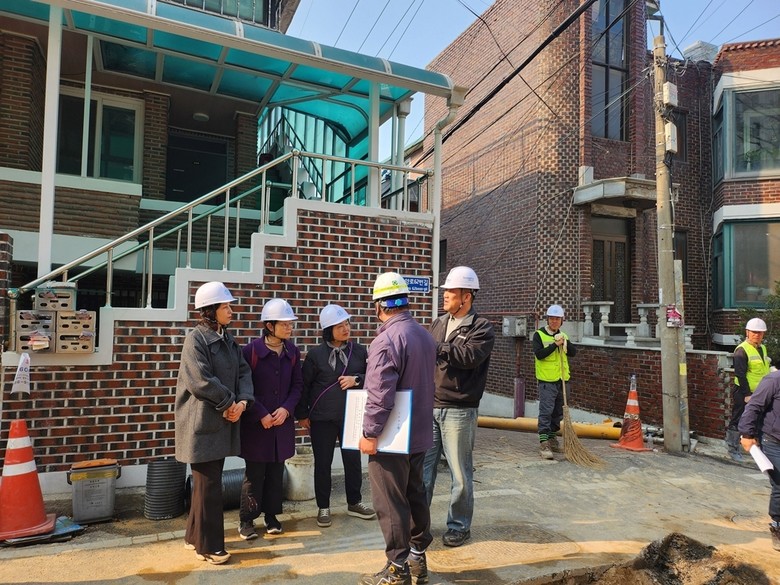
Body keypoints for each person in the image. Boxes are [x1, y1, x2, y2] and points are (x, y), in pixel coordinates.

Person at [359, 272, 437, 585]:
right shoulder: (424, 336)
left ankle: (397, 568)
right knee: (415, 493)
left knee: (390, 502)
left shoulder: (386, 340)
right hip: (419, 434)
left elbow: (380, 395)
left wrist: (369, 434)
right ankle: (417, 558)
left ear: (379, 305)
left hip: (390, 438)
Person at [174, 281, 254, 565]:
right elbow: (200, 381)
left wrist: (242, 402)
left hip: (220, 421)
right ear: (209, 310)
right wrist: (230, 403)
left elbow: (244, 373)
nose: (231, 311)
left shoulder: (228, 339)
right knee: (208, 484)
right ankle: (209, 547)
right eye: (225, 306)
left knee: (206, 483)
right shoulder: (195, 340)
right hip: (200, 425)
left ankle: (193, 536)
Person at [423, 266, 494, 548]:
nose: (445, 296)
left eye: (451, 292)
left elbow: (469, 357)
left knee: (460, 475)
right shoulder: (439, 323)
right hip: (431, 406)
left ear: (467, 296)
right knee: (423, 471)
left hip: (460, 410)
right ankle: (419, 524)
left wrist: (438, 347)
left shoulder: (481, 327)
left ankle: (459, 526)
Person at [296, 303, 376, 528]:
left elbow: (372, 376)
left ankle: (355, 502)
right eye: (339, 326)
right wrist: (302, 414)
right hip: (322, 418)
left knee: (353, 461)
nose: (346, 328)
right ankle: (323, 506)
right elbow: (304, 385)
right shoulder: (315, 355)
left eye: (347, 324)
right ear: (328, 330)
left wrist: (356, 379)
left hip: (351, 415)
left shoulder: (359, 351)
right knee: (323, 463)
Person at [238, 298, 303, 539]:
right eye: (284, 324)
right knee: (254, 475)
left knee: (276, 474)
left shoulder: (293, 352)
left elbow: (297, 386)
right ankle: (246, 520)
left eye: (290, 324)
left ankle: (272, 517)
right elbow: (243, 387)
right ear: (269, 326)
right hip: (257, 427)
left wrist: (286, 409)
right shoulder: (251, 352)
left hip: (281, 426)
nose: (289, 328)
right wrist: (260, 413)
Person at [739, 369, 780, 552]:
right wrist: (747, 434)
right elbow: (754, 406)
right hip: (773, 440)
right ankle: (778, 525)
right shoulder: (774, 380)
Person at [532, 304, 577, 460]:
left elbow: (573, 353)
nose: (554, 321)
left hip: (562, 379)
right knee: (546, 411)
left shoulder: (563, 335)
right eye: (552, 319)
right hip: (547, 380)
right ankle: (544, 442)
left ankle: (552, 438)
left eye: (557, 319)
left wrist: (565, 343)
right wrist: (554, 345)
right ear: (548, 320)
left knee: (558, 411)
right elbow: (539, 354)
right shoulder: (539, 335)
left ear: (562, 321)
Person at [728, 317, 771, 462]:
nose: (757, 335)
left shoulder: (762, 348)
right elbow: (740, 374)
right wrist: (747, 394)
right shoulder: (741, 350)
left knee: (759, 419)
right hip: (743, 392)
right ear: (747, 332)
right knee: (739, 418)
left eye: (760, 332)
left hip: (760, 392)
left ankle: (757, 449)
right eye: (754, 332)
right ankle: (733, 448)